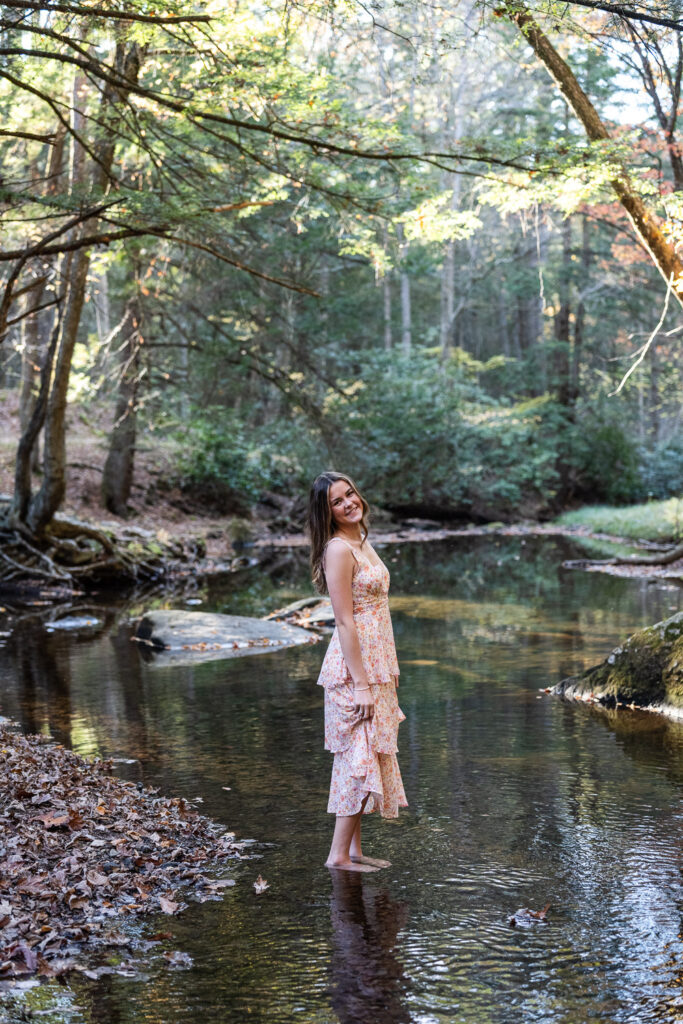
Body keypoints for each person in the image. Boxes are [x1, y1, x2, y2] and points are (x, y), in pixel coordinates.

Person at [307, 471, 407, 872]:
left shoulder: (360, 540)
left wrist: (384, 673)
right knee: (357, 757)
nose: (349, 503)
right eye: (337, 501)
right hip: (354, 671)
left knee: (370, 751)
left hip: (378, 663)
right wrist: (362, 684)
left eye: (350, 494)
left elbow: (379, 610)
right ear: (326, 512)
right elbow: (345, 622)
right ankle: (336, 857)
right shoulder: (337, 549)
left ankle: (354, 852)